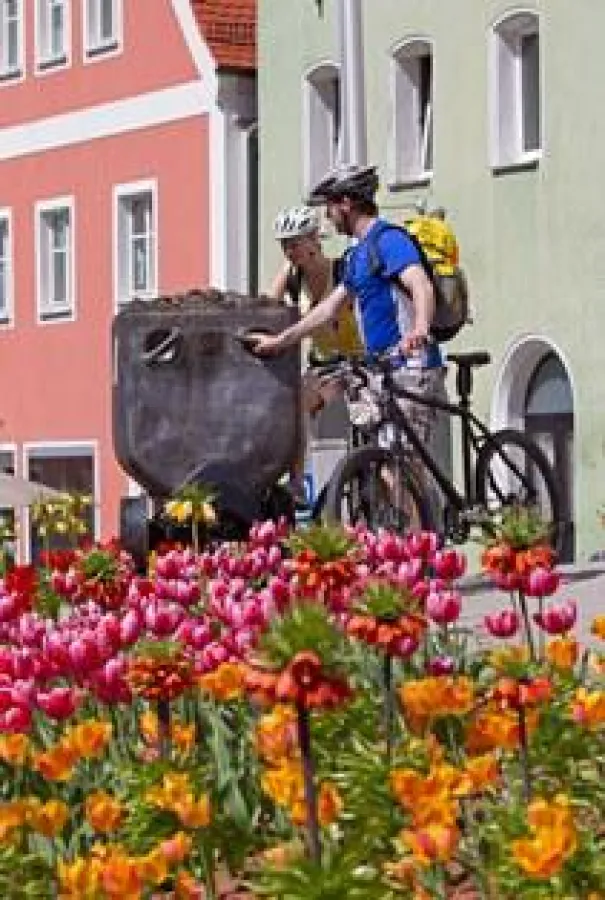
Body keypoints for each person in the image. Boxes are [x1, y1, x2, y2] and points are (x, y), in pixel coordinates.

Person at [254, 164, 450, 515]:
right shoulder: (359, 255)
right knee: (399, 467)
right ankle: (424, 540)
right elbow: (328, 309)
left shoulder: (389, 240)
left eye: (329, 207)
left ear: (345, 204)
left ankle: (421, 553)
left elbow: (419, 284)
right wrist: (280, 342)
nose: (327, 217)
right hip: (381, 369)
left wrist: (420, 328)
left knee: (397, 466)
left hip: (412, 365)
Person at [268, 204, 362, 504]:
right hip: (323, 364)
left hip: (356, 361)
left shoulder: (342, 269)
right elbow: (269, 309)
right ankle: (297, 482)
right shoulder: (293, 278)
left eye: (295, 242)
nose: (289, 250)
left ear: (314, 240)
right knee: (296, 402)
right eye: (284, 245)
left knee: (365, 427)